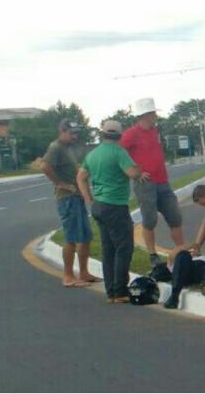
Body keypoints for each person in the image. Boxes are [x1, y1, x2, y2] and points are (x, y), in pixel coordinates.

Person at [77, 120, 144, 303]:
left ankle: (111, 292)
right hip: (115, 205)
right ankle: (120, 291)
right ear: (120, 136)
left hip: (99, 205)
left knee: (108, 250)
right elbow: (133, 173)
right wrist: (138, 167)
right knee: (124, 248)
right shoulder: (119, 152)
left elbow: (81, 177)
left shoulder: (93, 154)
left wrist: (88, 198)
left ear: (103, 134)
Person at [120, 97, 185, 265]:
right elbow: (119, 154)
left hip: (162, 180)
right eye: (153, 113)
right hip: (146, 183)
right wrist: (135, 173)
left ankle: (182, 250)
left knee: (174, 216)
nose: (155, 116)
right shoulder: (131, 134)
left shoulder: (155, 131)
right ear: (145, 115)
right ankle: (152, 254)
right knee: (149, 220)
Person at [41, 119, 99, 287]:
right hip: (67, 198)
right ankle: (68, 276)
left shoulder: (68, 148)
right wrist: (60, 183)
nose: (75, 136)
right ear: (63, 131)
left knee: (85, 236)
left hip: (77, 197)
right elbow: (45, 166)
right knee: (72, 237)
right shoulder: (56, 147)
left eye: (76, 133)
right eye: (72, 133)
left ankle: (84, 272)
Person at [163, 245, 205, 309]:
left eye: (193, 250)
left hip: (203, 271)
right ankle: (174, 297)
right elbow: (173, 255)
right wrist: (191, 246)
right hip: (186, 272)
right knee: (183, 254)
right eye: (190, 251)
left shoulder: (204, 258)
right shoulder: (178, 262)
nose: (193, 252)